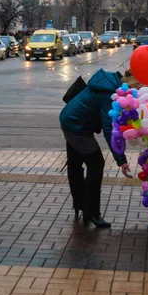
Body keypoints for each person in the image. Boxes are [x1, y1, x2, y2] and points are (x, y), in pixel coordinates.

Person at [60, 68, 137, 228]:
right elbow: (109, 130)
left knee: (75, 164)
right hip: (77, 126)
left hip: (69, 118)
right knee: (96, 165)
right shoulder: (109, 96)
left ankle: (80, 204)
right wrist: (120, 159)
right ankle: (92, 213)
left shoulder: (109, 81)